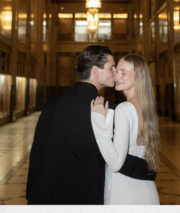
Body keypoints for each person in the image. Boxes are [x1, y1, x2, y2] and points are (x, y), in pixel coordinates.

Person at [26, 45, 152, 204]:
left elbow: (38, 149)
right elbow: (117, 160)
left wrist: (32, 191)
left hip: (46, 192)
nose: (115, 72)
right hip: (84, 194)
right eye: (111, 67)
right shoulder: (107, 109)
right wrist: (148, 170)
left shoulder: (53, 101)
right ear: (95, 70)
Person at [89, 54, 161, 204]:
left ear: (138, 77)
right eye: (116, 71)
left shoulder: (124, 109)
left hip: (123, 190)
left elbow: (116, 163)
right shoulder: (146, 107)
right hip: (147, 189)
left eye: (123, 73)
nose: (117, 76)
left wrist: (98, 120)